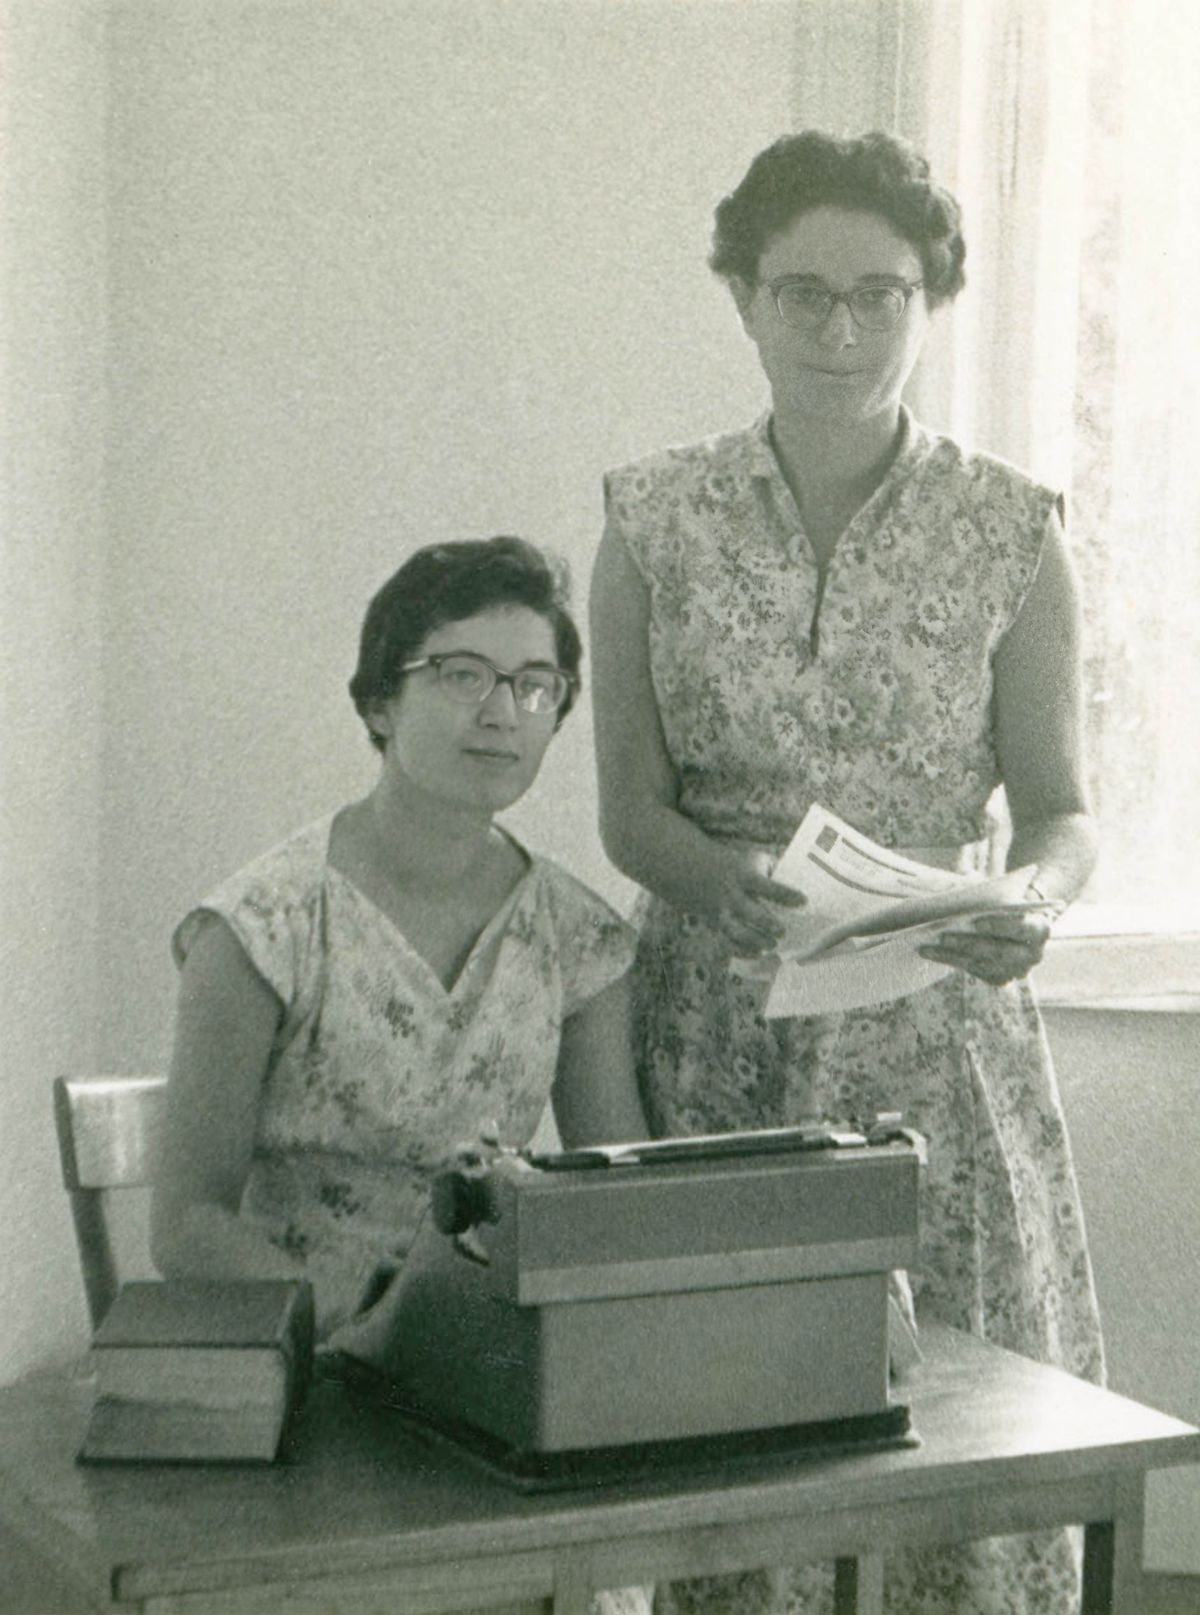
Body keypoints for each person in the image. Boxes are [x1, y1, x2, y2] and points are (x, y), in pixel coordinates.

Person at [590, 131, 1105, 1615]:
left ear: (929, 303)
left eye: (879, 294)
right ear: (742, 298)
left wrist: (1036, 900)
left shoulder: (1011, 529)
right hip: (715, 1028)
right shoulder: (651, 520)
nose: (839, 328)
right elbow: (631, 813)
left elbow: (1064, 811)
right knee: (720, 1433)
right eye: (801, 291)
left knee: (945, 1437)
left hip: (938, 1033)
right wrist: (718, 875)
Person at [151, 534, 649, 1403]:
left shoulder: (580, 938)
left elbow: (621, 1195)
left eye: (536, 686)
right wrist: (359, 1317)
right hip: (295, 1370)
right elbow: (187, 1224)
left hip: (486, 1371)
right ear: (382, 701)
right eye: (464, 674)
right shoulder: (263, 926)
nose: (504, 712)